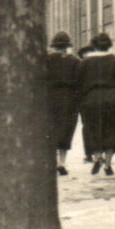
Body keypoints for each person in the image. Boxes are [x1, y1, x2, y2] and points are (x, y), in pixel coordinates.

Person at [77, 32, 115, 176]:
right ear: (109, 45)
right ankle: (108, 164)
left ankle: (97, 157)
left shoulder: (84, 62)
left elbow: (77, 81)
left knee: (94, 129)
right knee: (113, 131)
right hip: (112, 98)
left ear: (93, 45)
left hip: (91, 98)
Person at [46, 32, 83, 175]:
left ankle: (52, 162)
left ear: (54, 46)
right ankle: (62, 163)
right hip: (69, 99)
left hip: (50, 99)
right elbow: (80, 81)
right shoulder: (75, 61)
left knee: (51, 130)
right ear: (68, 46)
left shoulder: (46, 59)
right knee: (66, 130)